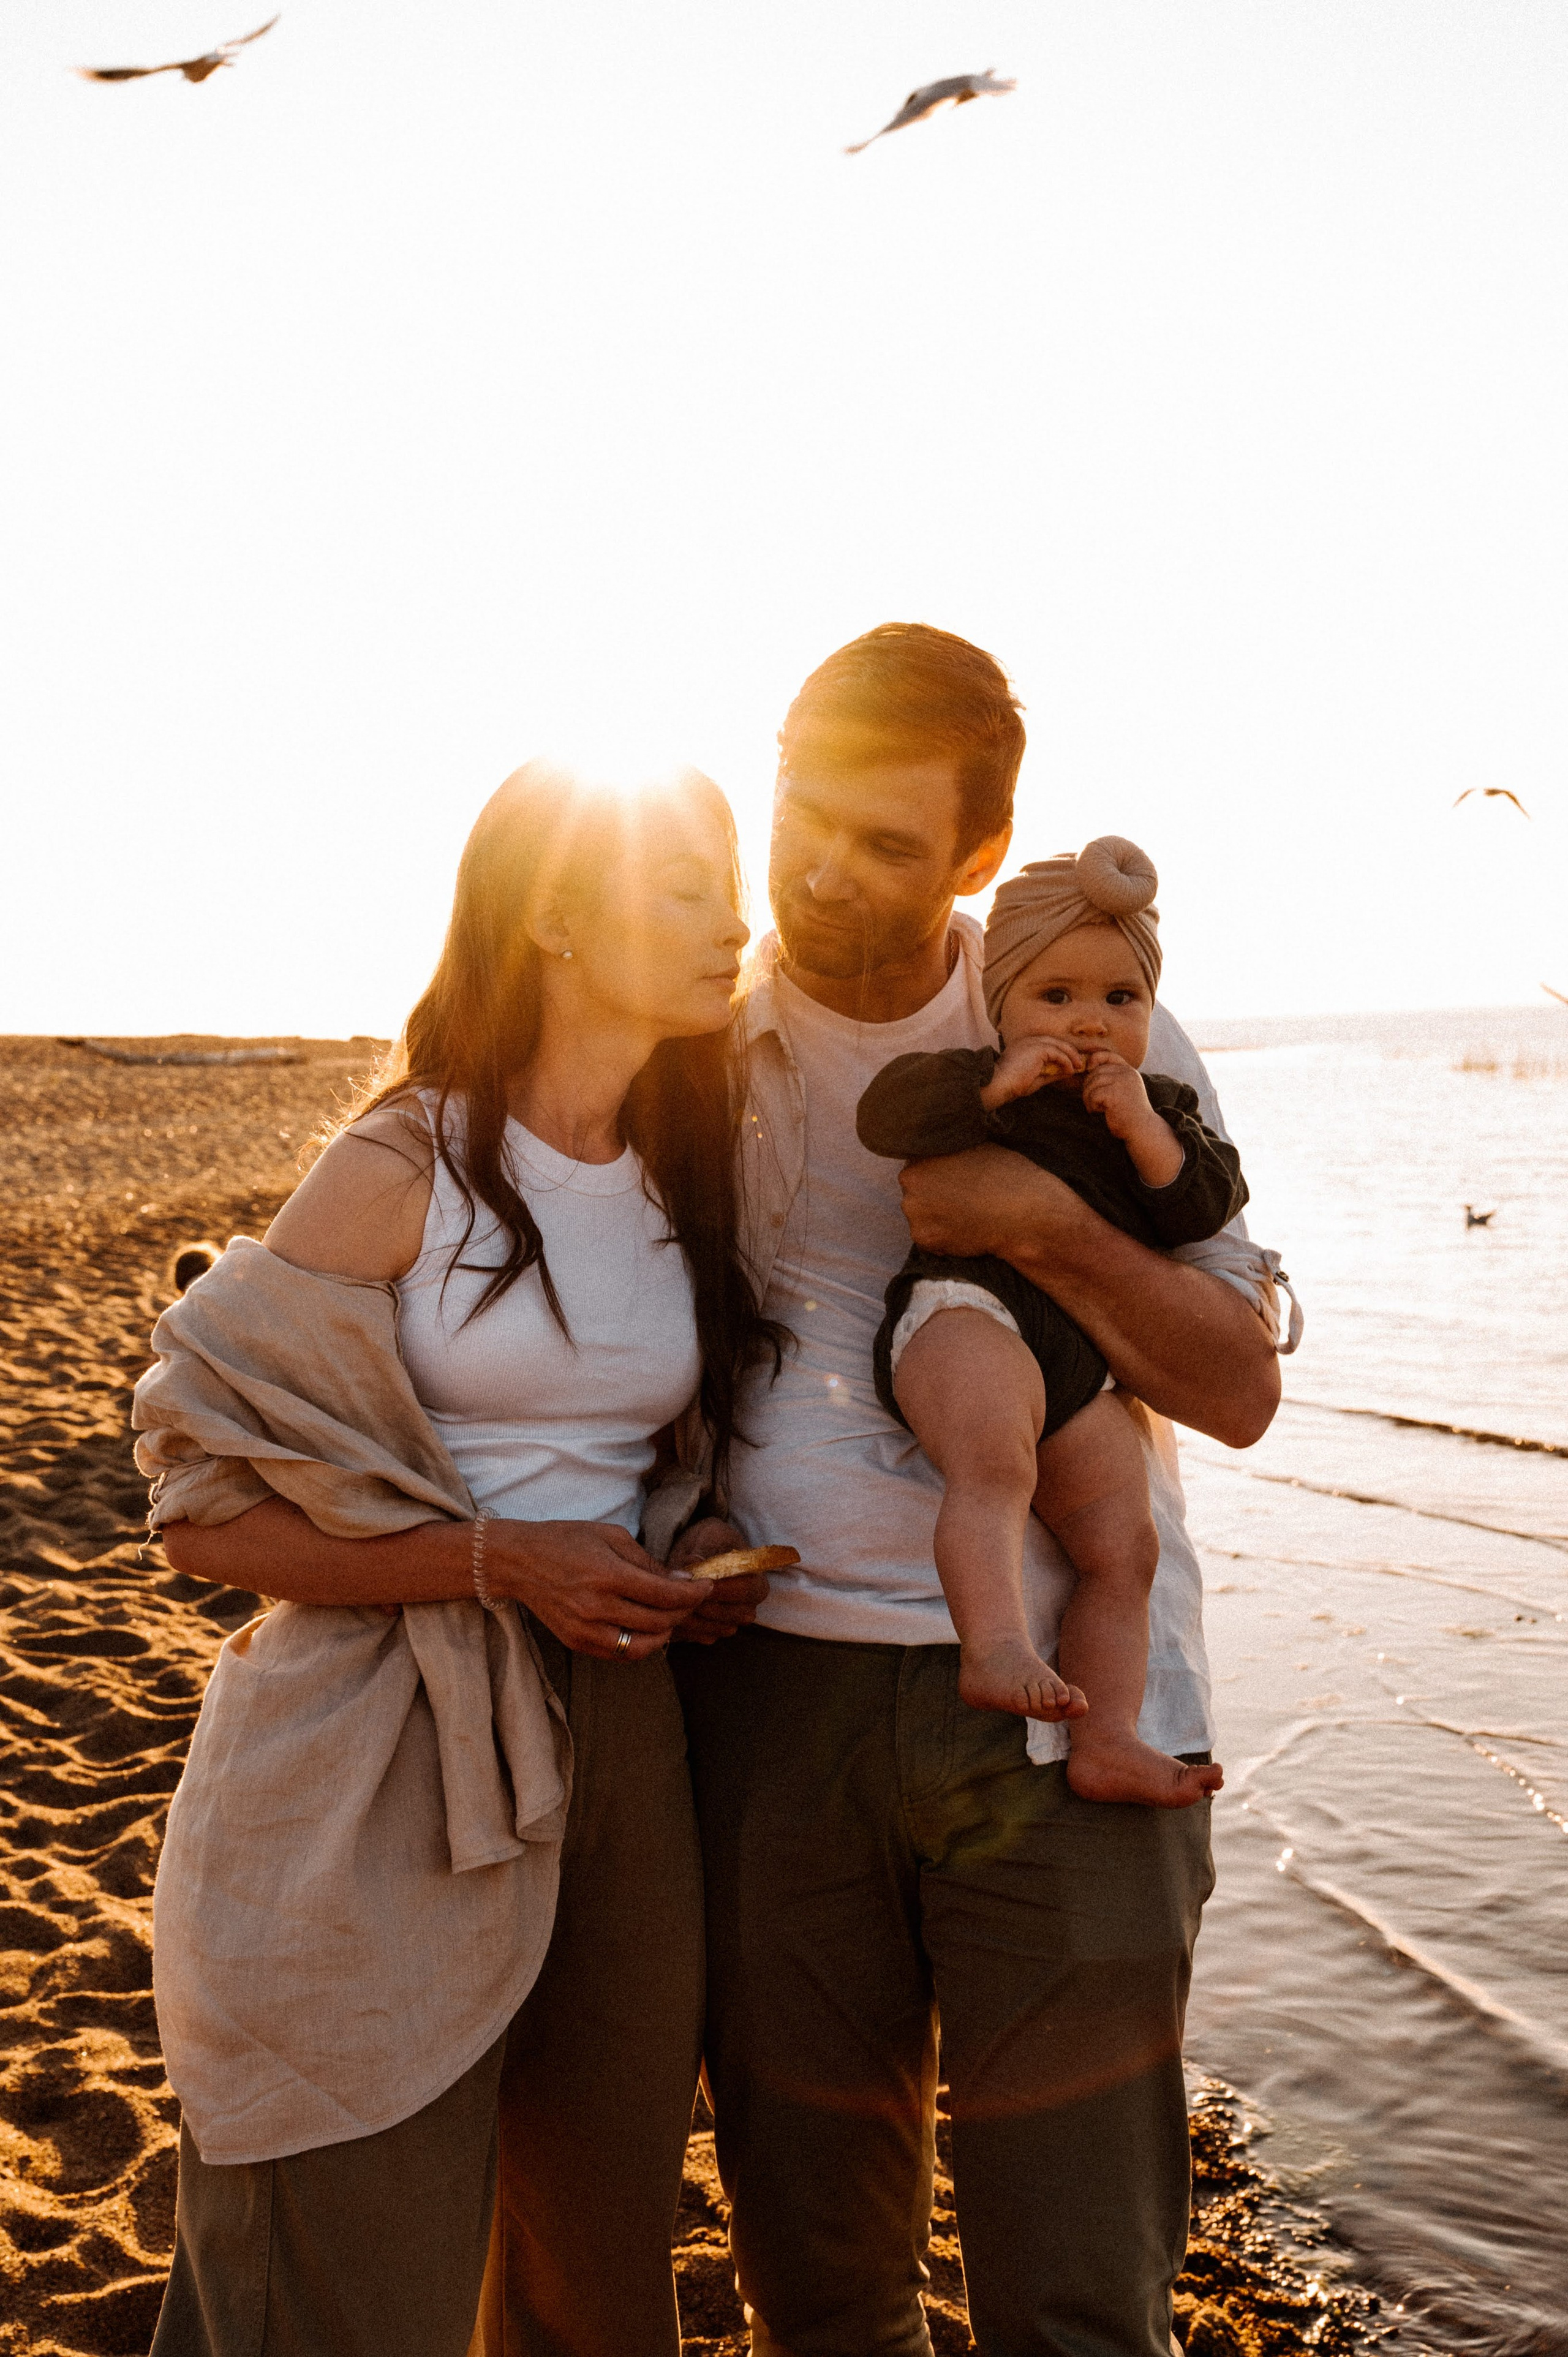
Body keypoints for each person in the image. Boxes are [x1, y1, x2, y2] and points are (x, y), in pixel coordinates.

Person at [671, 625, 1291, 2357]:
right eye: (808, 812)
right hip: (771, 1705)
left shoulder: (1097, 1032)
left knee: (1081, 2289)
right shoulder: (697, 1051)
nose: (823, 866)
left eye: (887, 841)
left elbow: (1237, 1390)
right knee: (818, 2278)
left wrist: (1037, 1223)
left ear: (969, 861)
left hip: (1069, 1714)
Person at [133, 760, 778, 2357]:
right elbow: (198, 1509)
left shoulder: (687, 1174)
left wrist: (688, 1552)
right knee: (349, 2254)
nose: (735, 917)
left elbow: (651, 1466)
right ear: (557, 918)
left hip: (625, 1735)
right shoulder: (403, 1167)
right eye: (682, 885)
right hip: (383, 1729)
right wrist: (500, 1562)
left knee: (599, 2253)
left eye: (730, 880)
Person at [854, 835, 1245, 1805]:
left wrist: (1145, 1130)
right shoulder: (980, 1078)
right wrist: (995, 1086)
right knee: (995, 1460)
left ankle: (1108, 1736)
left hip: (1077, 1364)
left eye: (1123, 999)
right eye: (1055, 996)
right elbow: (888, 1119)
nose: (1091, 1024)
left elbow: (1200, 1206)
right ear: (1003, 1005)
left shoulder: (1164, 1108)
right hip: (965, 1313)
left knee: (1124, 1546)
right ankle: (995, 1645)